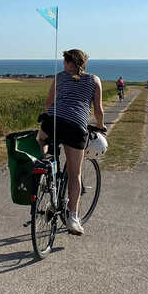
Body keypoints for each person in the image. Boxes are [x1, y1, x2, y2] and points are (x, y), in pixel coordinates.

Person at [36, 49, 105, 236]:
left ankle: (47, 160)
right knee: (75, 174)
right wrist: (100, 125)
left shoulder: (60, 76)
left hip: (54, 122)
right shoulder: (94, 80)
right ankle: (73, 219)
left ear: (68, 63)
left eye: (64, 62)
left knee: (41, 138)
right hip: (76, 127)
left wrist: (55, 114)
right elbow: (98, 110)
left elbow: (49, 103)